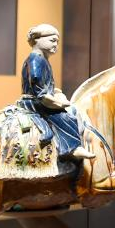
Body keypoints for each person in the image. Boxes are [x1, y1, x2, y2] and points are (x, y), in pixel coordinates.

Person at [16, 23, 94, 162]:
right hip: (35, 103)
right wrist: (59, 103)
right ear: (37, 40)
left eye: (57, 42)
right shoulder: (36, 61)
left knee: (72, 110)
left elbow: (44, 86)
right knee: (65, 117)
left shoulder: (42, 60)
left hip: (41, 99)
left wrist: (55, 92)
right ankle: (72, 148)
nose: (55, 45)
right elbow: (39, 91)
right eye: (52, 41)